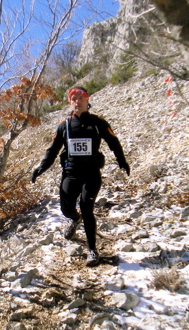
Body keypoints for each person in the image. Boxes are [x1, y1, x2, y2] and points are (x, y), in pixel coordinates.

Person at [32, 87, 130, 267]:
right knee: (66, 209)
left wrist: (122, 162)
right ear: (70, 103)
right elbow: (52, 150)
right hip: (70, 173)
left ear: (87, 101)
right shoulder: (64, 125)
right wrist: (41, 168)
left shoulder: (97, 122)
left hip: (91, 173)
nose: (77, 101)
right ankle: (74, 219)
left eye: (80, 98)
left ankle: (92, 250)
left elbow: (113, 143)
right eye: (73, 99)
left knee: (87, 208)